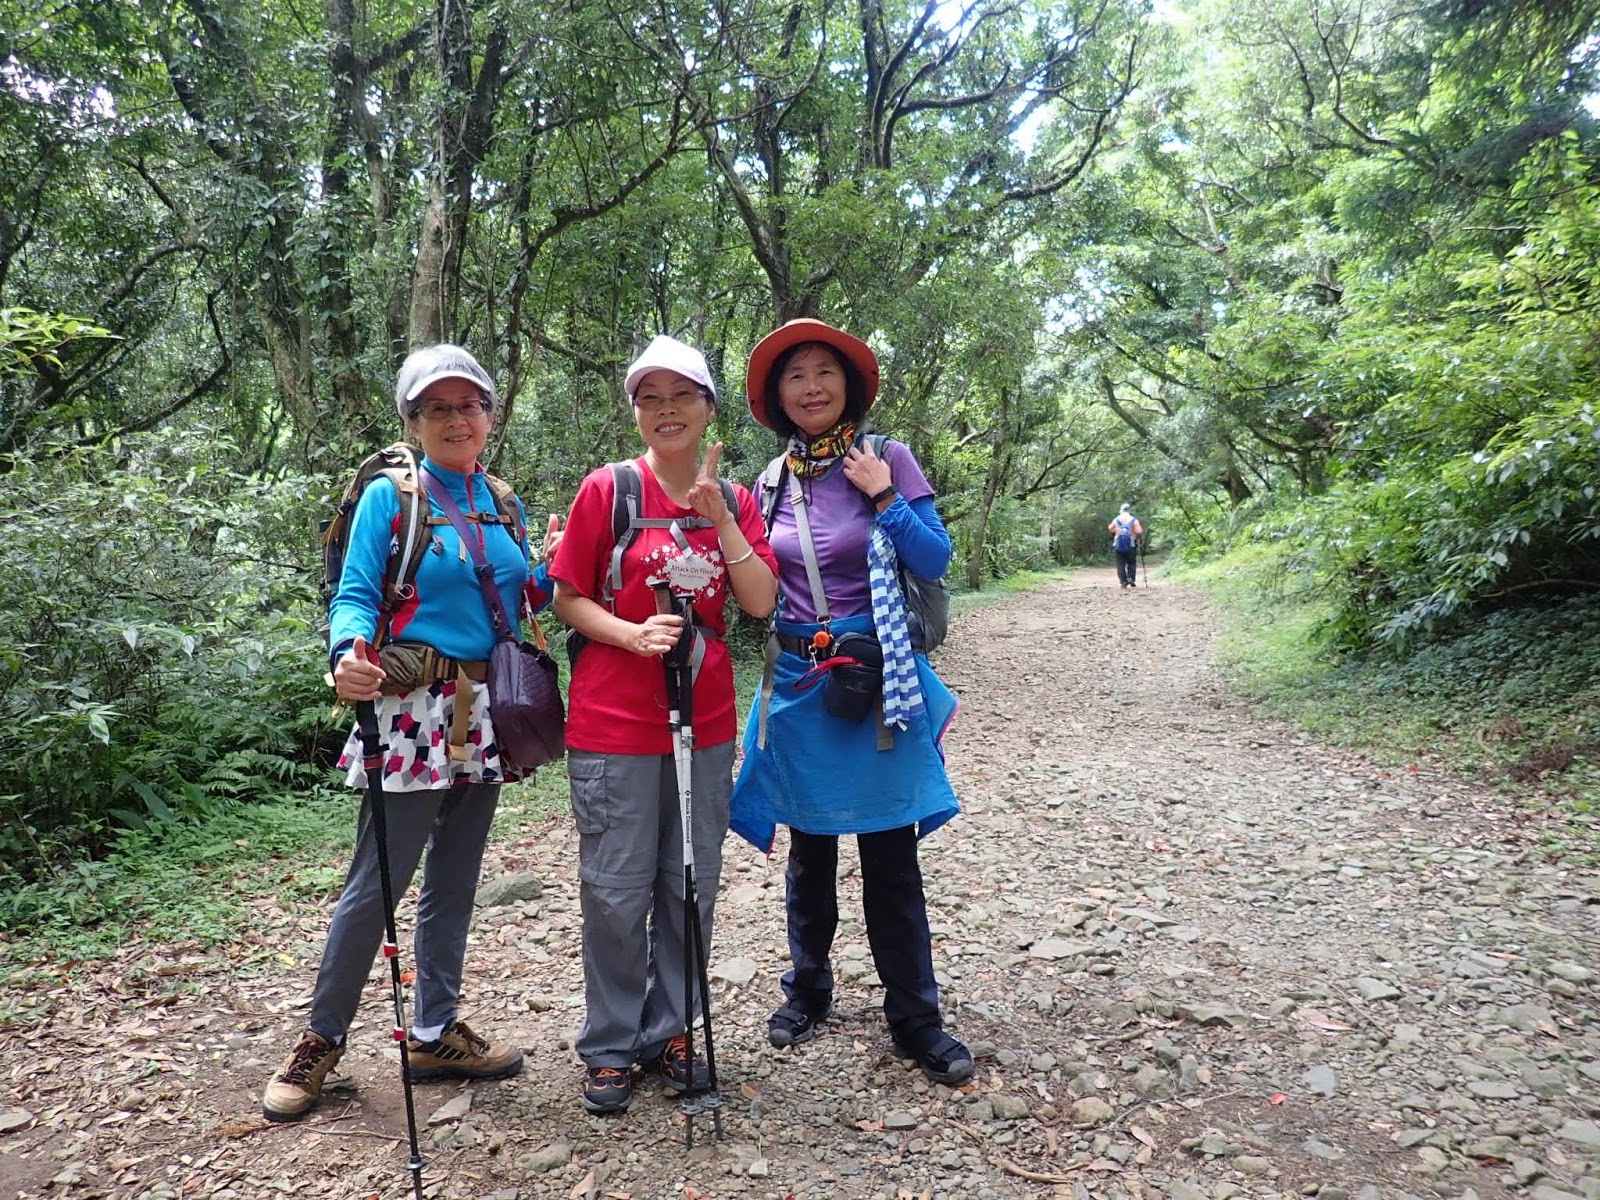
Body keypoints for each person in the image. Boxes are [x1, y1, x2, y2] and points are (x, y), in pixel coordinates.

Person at [261, 344, 561, 1122]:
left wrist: (550, 570)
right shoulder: (392, 499)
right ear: (414, 421)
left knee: (456, 876)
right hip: (411, 710)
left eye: (470, 406)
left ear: (490, 414)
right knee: (379, 883)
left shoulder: (503, 501)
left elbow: (517, 598)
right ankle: (319, 1040)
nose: (457, 420)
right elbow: (356, 593)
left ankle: (433, 1032)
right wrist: (345, 655)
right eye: (438, 408)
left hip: (482, 712)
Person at [729, 318, 974, 1086]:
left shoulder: (886, 457)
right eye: (796, 375)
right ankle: (807, 991)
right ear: (778, 396)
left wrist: (885, 496)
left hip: (878, 683)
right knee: (810, 854)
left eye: (824, 372)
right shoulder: (769, 483)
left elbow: (934, 556)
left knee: (890, 858)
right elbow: (757, 588)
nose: (811, 387)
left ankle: (917, 1019)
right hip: (801, 683)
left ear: (849, 386)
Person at [551, 334, 779, 1114]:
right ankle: (612, 1044)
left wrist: (722, 520)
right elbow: (568, 596)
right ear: (636, 413)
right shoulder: (608, 490)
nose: (666, 409)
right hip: (613, 722)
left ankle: (674, 1029)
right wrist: (630, 634)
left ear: (709, 408)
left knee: (690, 883)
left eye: (682, 395)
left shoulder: (736, 499)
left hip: (703, 721)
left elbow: (760, 602)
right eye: (650, 397)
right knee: (615, 891)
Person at [1109, 503, 1143, 589]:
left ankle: (1123, 582)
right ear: (1129, 510)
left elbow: (1110, 528)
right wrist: (1139, 540)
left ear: (1121, 510)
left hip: (1118, 545)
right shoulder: (1133, 520)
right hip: (1131, 544)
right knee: (1131, 562)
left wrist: (1116, 531)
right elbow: (1139, 531)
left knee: (1120, 563)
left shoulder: (1116, 519)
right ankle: (1131, 578)